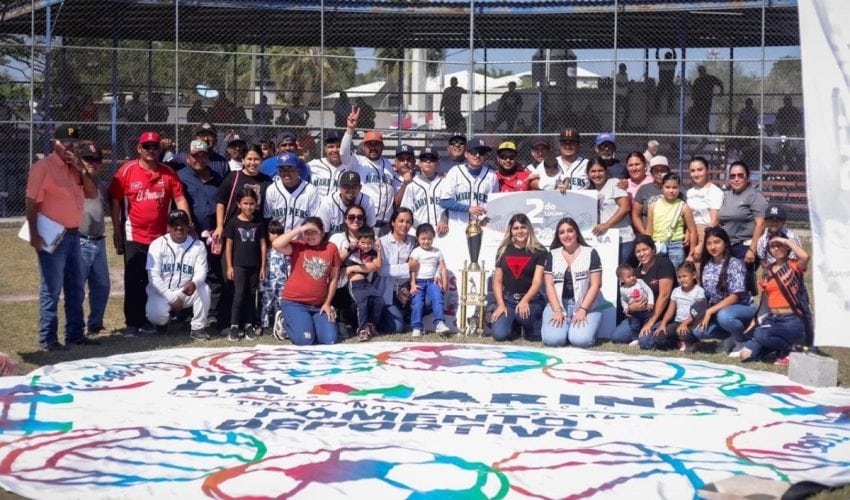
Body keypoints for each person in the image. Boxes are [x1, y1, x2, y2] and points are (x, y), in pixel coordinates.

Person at [110, 131, 191, 337]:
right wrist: (117, 231)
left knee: (156, 280)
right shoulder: (126, 171)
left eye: (155, 147)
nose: (151, 150)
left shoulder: (168, 173)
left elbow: (180, 199)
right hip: (134, 234)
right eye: (146, 146)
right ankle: (132, 322)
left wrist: (187, 224)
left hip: (161, 237)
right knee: (134, 279)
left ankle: (150, 319)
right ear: (139, 148)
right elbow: (116, 201)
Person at [26, 125, 99, 351]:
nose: (70, 146)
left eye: (74, 143)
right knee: (52, 289)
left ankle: (75, 334)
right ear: (54, 143)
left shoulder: (76, 167)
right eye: (65, 142)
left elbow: (92, 193)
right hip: (52, 235)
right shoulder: (42, 167)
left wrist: (81, 168)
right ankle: (48, 339)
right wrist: (34, 234)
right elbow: (31, 202)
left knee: (76, 287)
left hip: (75, 234)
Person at [213, 145, 272, 327]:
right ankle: (227, 322)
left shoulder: (266, 181)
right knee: (229, 279)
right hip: (233, 234)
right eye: (249, 159)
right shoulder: (234, 176)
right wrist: (220, 226)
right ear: (243, 159)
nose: (252, 163)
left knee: (251, 284)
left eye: (256, 159)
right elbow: (221, 202)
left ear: (261, 160)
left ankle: (249, 321)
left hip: (254, 236)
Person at [740, 235, 811, 362]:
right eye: (773, 246)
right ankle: (777, 348)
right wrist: (755, 321)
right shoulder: (767, 270)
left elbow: (805, 256)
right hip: (772, 319)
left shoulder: (793, 265)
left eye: (780, 245)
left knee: (761, 335)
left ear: (787, 247)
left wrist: (786, 241)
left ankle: (791, 349)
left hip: (791, 321)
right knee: (746, 355)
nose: (776, 249)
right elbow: (765, 300)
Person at [145, 209, 211, 341]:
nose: (179, 227)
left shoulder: (198, 245)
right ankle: (163, 323)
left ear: (188, 226)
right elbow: (153, 277)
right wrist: (171, 297)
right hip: (162, 293)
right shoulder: (157, 244)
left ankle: (198, 328)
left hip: (185, 291)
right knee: (155, 316)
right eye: (175, 224)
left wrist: (195, 282)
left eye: (183, 224)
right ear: (168, 227)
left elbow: (201, 271)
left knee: (204, 288)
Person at [273, 217, 340, 345]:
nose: (310, 236)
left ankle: (308, 324)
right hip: (295, 302)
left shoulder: (331, 248)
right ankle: (284, 322)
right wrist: (299, 229)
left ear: (322, 232)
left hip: (319, 305)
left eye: (313, 232)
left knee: (329, 339)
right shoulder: (298, 246)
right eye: (306, 233)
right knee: (305, 341)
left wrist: (327, 303)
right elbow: (276, 244)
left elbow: (334, 278)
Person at [692, 226, 757, 355]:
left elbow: (735, 297)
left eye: (717, 242)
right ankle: (730, 337)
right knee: (699, 331)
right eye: (709, 243)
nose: (713, 247)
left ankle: (742, 341)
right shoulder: (707, 265)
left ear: (725, 243)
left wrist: (710, 311)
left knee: (725, 316)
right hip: (718, 310)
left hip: (742, 308)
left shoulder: (735, 264)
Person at [540, 217, 603, 347]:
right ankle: (563, 330)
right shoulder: (552, 254)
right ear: (558, 236)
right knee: (553, 340)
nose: (566, 235)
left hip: (585, 306)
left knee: (580, 340)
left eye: (570, 231)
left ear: (576, 232)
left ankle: (577, 331)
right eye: (562, 232)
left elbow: (595, 285)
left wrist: (583, 309)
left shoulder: (591, 252)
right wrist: (557, 310)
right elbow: (549, 285)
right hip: (558, 305)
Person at [607, 235, 676, 345]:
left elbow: (664, 296)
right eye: (638, 251)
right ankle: (641, 331)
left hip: (660, 315)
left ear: (653, 249)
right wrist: (630, 308)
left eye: (645, 249)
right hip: (638, 317)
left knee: (645, 342)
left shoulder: (663, 263)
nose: (642, 254)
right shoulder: (635, 273)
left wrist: (650, 322)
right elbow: (626, 297)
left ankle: (670, 333)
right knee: (617, 337)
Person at [490, 214, 547, 342]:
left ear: (529, 229)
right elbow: (497, 281)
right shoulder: (502, 251)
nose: (520, 231)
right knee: (499, 335)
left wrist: (525, 300)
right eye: (516, 228)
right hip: (508, 301)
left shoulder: (540, 251)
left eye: (523, 227)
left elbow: (537, 281)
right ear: (510, 231)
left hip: (532, 300)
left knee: (524, 317)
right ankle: (514, 326)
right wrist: (501, 305)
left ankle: (532, 326)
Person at [341, 108, 396, 231]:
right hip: (364, 223)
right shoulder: (358, 162)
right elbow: (343, 153)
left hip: (386, 225)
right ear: (363, 147)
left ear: (382, 147)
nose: (373, 147)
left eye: (376, 144)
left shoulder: (388, 164)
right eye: (369, 144)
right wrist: (350, 129)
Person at [718, 160, 767, 295]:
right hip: (727, 247)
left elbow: (761, 223)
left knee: (741, 289)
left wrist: (752, 249)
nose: (736, 179)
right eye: (732, 176)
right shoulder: (727, 196)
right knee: (727, 287)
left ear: (747, 176)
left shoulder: (754, 196)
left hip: (744, 248)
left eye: (740, 175)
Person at [224, 188, 266, 341]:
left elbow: (263, 245)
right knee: (239, 293)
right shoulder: (233, 222)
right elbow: (228, 245)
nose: (248, 206)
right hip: (239, 265)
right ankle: (234, 325)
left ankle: (249, 324)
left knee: (251, 294)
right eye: (245, 203)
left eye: (252, 203)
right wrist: (229, 266)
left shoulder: (258, 222)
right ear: (239, 204)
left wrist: (263, 266)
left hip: (254, 266)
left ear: (256, 204)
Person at [78, 143, 110, 337]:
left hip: (99, 241)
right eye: (88, 159)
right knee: (78, 288)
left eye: (96, 160)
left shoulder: (101, 184)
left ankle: (95, 324)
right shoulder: (73, 182)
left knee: (102, 286)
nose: (93, 163)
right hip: (79, 241)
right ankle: (76, 328)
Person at [329, 204, 370, 336]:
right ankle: (339, 318)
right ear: (345, 220)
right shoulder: (337, 238)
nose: (356, 220)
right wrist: (348, 249)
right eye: (351, 217)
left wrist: (351, 269)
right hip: (339, 288)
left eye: (359, 217)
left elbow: (375, 265)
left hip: (361, 286)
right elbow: (332, 264)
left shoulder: (369, 238)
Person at [439, 138, 499, 226]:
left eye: (481, 153)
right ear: (466, 154)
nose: (477, 155)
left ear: (485, 156)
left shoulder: (492, 175)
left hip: (483, 227)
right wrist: (468, 208)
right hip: (458, 226)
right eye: (474, 152)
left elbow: (495, 203)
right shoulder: (454, 172)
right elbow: (444, 201)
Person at [586, 157, 634, 264]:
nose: (597, 174)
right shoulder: (589, 191)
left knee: (620, 272)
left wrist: (607, 225)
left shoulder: (614, 183)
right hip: (603, 240)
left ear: (606, 171)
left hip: (623, 239)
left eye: (600, 170)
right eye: (593, 171)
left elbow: (625, 207)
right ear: (588, 174)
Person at [341, 227, 385, 341]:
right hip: (354, 284)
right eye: (363, 243)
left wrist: (379, 250)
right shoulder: (353, 251)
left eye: (369, 243)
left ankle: (371, 325)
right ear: (357, 241)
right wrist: (349, 247)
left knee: (379, 300)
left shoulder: (372, 253)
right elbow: (338, 260)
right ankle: (362, 330)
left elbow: (378, 265)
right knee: (362, 303)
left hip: (366, 283)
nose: (366, 246)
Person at [377, 208, 417, 333]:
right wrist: (408, 267)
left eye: (408, 222)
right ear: (393, 222)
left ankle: (407, 315)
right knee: (396, 328)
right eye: (401, 221)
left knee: (428, 300)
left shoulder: (415, 241)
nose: (405, 225)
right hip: (389, 291)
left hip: (408, 287)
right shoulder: (382, 242)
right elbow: (382, 270)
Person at [646, 173, 698, 269]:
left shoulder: (684, 207)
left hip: (676, 247)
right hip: (656, 246)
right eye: (667, 187)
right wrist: (647, 248)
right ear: (662, 187)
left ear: (679, 188)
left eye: (674, 187)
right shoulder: (653, 206)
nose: (671, 191)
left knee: (676, 275)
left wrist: (691, 254)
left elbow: (693, 231)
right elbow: (649, 230)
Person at [408, 223, 450, 337]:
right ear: (418, 238)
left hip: (433, 282)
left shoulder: (437, 252)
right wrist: (412, 284)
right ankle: (417, 327)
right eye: (423, 239)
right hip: (419, 282)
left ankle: (440, 323)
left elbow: (443, 268)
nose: (426, 241)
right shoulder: (416, 251)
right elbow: (412, 269)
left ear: (433, 238)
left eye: (429, 239)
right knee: (417, 303)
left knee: (437, 299)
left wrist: (445, 283)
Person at [263, 152, 321, 233]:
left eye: (290, 169)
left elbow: (314, 220)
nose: (286, 173)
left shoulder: (311, 190)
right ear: (278, 172)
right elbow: (267, 218)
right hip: (278, 238)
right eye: (282, 169)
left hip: (302, 238)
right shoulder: (271, 189)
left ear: (298, 170)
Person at [656, 261, 706, 351]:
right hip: (678, 322)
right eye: (679, 277)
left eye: (684, 276)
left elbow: (697, 312)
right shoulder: (676, 291)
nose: (682, 279)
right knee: (659, 338)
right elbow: (670, 311)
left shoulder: (699, 291)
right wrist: (663, 324)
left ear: (694, 275)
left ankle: (693, 343)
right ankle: (678, 343)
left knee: (683, 334)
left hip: (691, 323)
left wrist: (685, 323)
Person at [400, 147, 449, 235]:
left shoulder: (445, 183)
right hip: (417, 232)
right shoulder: (412, 185)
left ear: (438, 164)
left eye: (432, 159)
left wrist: (444, 220)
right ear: (419, 163)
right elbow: (406, 211)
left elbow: (450, 206)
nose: (428, 161)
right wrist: (419, 227)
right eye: (424, 159)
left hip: (441, 231)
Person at [686, 156, 724, 263]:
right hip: (691, 233)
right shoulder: (690, 192)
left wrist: (701, 244)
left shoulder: (715, 192)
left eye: (700, 170)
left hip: (706, 233)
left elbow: (714, 221)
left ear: (707, 170)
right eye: (692, 171)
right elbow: (689, 216)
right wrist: (688, 233)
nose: (696, 174)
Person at [318, 170, 377, 234]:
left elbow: (370, 228)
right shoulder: (328, 203)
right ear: (340, 187)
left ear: (360, 188)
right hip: (333, 239)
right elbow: (323, 233)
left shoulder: (367, 202)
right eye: (346, 187)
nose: (350, 190)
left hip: (358, 239)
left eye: (354, 187)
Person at [631, 155, 671, 236]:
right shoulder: (644, 189)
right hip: (648, 234)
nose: (660, 173)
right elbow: (635, 215)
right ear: (651, 173)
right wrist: (645, 234)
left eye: (663, 170)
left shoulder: (674, 189)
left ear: (668, 172)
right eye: (656, 171)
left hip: (670, 235)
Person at [261, 220, 287, 340]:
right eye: (273, 233)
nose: (276, 236)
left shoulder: (285, 250)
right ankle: (265, 324)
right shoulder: (266, 250)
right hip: (268, 282)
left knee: (280, 303)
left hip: (282, 281)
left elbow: (288, 266)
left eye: (279, 233)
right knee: (267, 303)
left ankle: (280, 324)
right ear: (268, 234)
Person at [308, 130, 354, 197]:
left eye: (339, 146)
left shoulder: (352, 167)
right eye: (331, 147)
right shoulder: (312, 166)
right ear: (325, 149)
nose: (335, 150)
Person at [617, 264, 655, 345]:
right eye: (629, 277)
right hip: (635, 313)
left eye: (633, 275)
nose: (632, 278)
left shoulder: (639, 282)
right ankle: (635, 338)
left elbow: (649, 291)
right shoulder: (622, 289)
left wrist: (650, 302)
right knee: (634, 325)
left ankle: (645, 336)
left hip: (646, 310)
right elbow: (623, 300)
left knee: (647, 322)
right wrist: (626, 308)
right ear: (621, 280)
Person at [689, 65, 724, 133]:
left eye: (701, 71)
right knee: (698, 114)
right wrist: (693, 96)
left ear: (704, 71)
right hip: (698, 101)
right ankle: (699, 129)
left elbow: (720, 83)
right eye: (699, 71)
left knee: (705, 115)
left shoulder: (710, 78)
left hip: (706, 100)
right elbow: (694, 90)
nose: (700, 73)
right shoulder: (698, 80)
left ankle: (705, 129)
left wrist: (721, 92)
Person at [391, 144, 417, 209]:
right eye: (401, 159)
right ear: (396, 162)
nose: (405, 162)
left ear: (414, 162)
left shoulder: (421, 176)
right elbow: (394, 206)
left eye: (409, 159)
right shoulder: (391, 179)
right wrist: (405, 184)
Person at [655, 49, 677, 113]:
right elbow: (675, 57)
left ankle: (663, 107)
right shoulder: (666, 63)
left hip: (666, 81)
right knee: (660, 94)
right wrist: (673, 50)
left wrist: (657, 50)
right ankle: (665, 107)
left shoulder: (669, 63)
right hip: (665, 81)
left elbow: (657, 57)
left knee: (669, 94)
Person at [615, 64, 630, 128]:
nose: (624, 70)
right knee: (617, 111)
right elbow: (620, 85)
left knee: (627, 111)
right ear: (620, 69)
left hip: (625, 96)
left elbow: (627, 83)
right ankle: (616, 126)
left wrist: (628, 84)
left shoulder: (626, 75)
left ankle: (623, 125)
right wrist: (626, 84)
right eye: (623, 68)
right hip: (619, 95)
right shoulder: (617, 76)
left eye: (625, 68)